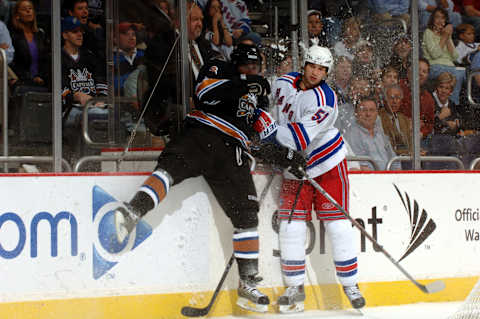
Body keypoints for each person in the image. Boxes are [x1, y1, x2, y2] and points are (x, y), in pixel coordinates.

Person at [112, 43, 306, 313]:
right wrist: (244, 82)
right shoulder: (219, 68)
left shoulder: (258, 99)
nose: (254, 71)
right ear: (236, 63)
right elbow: (204, 94)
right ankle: (133, 210)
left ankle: (248, 282)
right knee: (169, 169)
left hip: (234, 151)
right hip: (202, 134)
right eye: (248, 66)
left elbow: (262, 139)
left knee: (247, 214)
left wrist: (287, 157)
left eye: (256, 68)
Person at [271, 40, 365, 313]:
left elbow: (299, 137)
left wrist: (268, 141)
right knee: (291, 227)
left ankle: (350, 284)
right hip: (293, 166)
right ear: (304, 65)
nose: (315, 72)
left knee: (337, 226)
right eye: (311, 66)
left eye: (321, 69)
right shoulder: (283, 82)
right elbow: (269, 112)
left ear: (327, 73)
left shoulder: (326, 100)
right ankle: (294, 287)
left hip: (326, 165)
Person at [422, 7, 465, 105]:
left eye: (443, 18)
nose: (440, 20)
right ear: (432, 19)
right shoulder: (428, 33)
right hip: (434, 66)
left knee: (460, 74)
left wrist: (447, 37)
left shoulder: (446, 34)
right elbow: (434, 54)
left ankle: (453, 106)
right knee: (453, 76)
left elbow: (455, 57)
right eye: (437, 17)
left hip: (450, 66)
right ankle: (448, 105)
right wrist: (444, 37)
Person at [344, 96, 400, 170]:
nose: (368, 114)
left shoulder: (380, 133)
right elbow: (362, 166)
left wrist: (396, 175)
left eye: (372, 110)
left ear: (377, 113)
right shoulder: (352, 135)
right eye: (364, 110)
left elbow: (394, 160)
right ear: (356, 113)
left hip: (388, 177)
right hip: (369, 178)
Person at [10, 0, 48, 89]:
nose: (28, 11)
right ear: (17, 15)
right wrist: (30, 78)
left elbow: (46, 60)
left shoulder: (40, 34)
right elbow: (12, 62)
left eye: (30, 8)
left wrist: (41, 76)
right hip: (21, 82)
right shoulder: (13, 35)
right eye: (24, 9)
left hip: (42, 82)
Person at [378, 84, 412, 156]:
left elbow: (410, 143)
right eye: (391, 98)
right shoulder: (378, 117)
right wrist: (405, 153)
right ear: (384, 100)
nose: (394, 101)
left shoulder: (404, 119)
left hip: (406, 159)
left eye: (398, 98)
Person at [114, 22, 145, 96]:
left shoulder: (145, 55)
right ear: (115, 39)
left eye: (133, 34)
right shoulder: (110, 59)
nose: (132, 38)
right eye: (126, 34)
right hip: (122, 103)